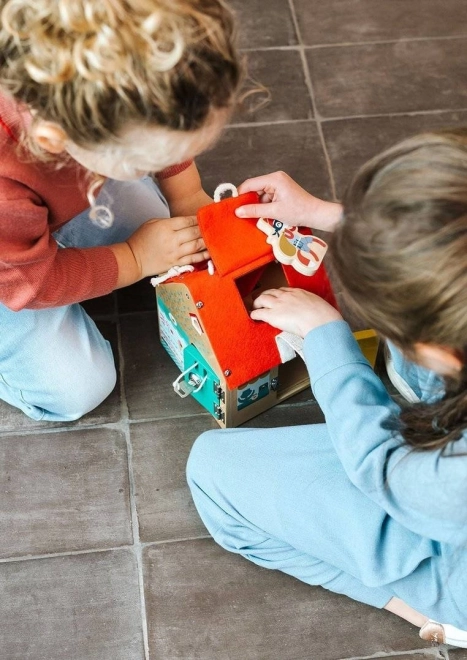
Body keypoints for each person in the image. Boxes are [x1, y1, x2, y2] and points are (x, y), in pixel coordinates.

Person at [187, 130, 467, 647]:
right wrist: (326, 214)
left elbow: (384, 472)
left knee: (211, 471)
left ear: (447, 353)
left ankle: (432, 611)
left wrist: (327, 342)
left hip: (445, 533)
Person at [0, 0, 242, 421]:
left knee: (159, 223)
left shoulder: (114, 48)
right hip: (12, 270)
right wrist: (135, 258)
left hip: (39, 197)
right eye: (143, 160)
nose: (164, 162)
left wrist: (188, 196)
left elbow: (160, 110)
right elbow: (31, 284)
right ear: (59, 137)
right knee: (77, 389)